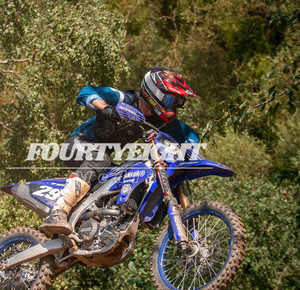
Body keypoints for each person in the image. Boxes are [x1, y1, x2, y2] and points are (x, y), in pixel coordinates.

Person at [39, 67, 200, 235]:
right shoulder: (125, 99)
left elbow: (190, 136)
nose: (173, 105)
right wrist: (105, 107)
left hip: (103, 159)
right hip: (78, 144)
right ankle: (57, 212)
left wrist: (189, 154)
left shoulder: (159, 121)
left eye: (177, 101)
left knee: (133, 176)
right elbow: (86, 92)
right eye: (170, 99)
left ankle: (104, 230)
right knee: (100, 158)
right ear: (154, 93)